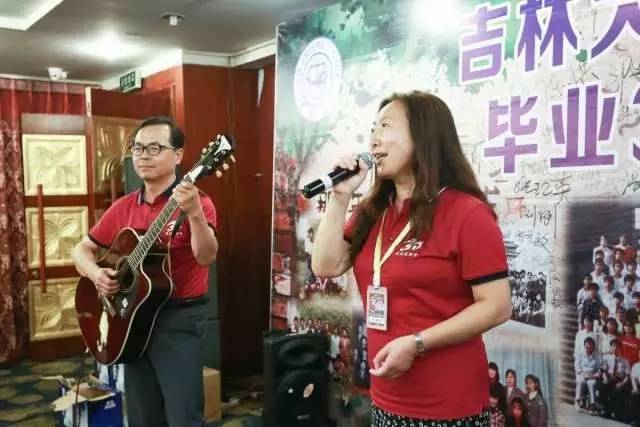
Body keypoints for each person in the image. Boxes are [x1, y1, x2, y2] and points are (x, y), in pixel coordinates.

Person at [311, 91, 511, 425]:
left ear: (422, 135)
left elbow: (497, 306)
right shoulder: (373, 212)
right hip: (386, 398)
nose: (374, 139)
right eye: (373, 129)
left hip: (448, 403)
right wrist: (340, 197)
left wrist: (418, 343)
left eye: (385, 126)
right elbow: (325, 265)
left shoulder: (467, 213)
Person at [71, 116, 219, 427]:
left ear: (178, 155)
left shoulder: (200, 203)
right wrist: (96, 275)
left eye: (154, 148)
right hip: (131, 317)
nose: (143, 156)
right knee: (142, 415)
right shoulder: (123, 206)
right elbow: (81, 250)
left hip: (177, 320)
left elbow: (206, 257)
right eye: (137, 148)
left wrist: (194, 214)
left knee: (183, 416)